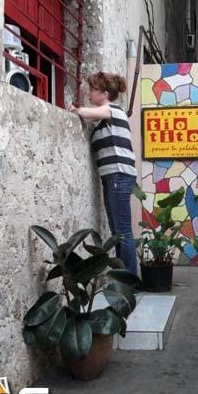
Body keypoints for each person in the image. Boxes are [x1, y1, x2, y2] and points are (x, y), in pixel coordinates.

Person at [68, 72, 138, 276]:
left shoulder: (111, 110)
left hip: (118, 176)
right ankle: (122, 277)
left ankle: (129, 281)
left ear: (104, 93)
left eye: (93, 90)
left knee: (122, 231)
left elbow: (86, 113)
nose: (89, 93)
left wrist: (74, 109)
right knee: (118, 231)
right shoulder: (107, 118)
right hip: (113, 178)